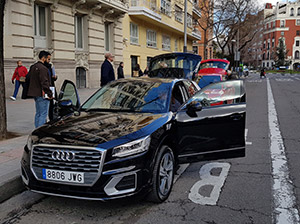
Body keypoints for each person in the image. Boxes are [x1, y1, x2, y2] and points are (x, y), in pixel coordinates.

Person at [27, 51, 53, 128]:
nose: (49, 61)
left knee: (38, 113)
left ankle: (37, 129)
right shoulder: (43, 68)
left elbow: (27, 78)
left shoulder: (33, 67)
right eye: (48, 59)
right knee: (43, 114)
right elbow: (44, 82)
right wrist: (50, 93)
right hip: (42, 93)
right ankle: (40, 130)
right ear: (43, 58)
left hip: (35, 93)